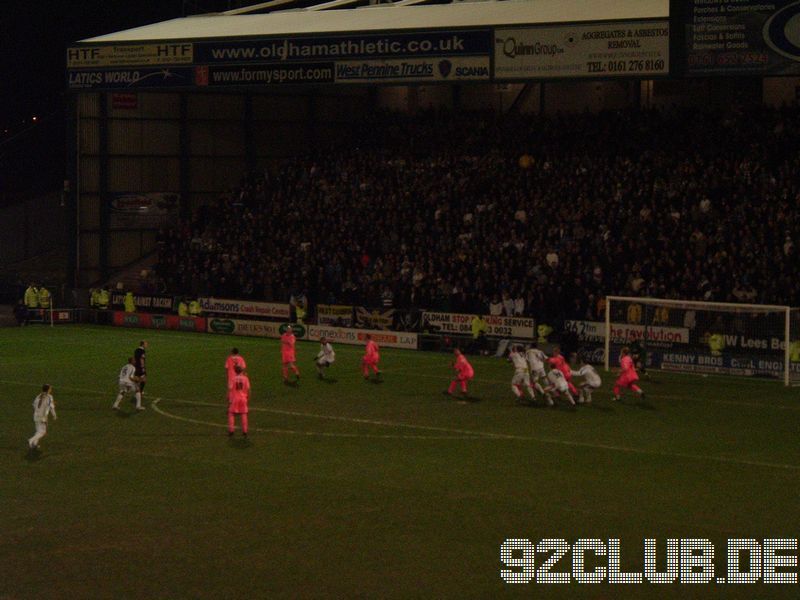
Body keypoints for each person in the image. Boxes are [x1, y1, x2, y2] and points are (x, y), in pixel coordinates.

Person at [28, 384, 56, 450]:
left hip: (36, 415)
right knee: (43, 432)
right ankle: (31, 440)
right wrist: (54, 415)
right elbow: (51, 407)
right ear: (48, 389)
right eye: (50, 388)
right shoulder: (49, 397)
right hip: (42, 417)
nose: (51, 390)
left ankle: (34, 444)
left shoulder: (38, 396)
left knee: (38, 431)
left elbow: (34, 404)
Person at [227, 365, 251, 437]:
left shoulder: (233, 379)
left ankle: (231, 431)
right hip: (243, 398)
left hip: (235, 398)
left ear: (235, 371)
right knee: (244, 413)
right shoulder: (245, 378)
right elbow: (249, 389)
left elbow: (230, 389)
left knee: (231, 413)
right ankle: (245, 431)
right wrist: (248, 398)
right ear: (241, 371)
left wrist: (228, 398)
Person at [133, 340, 148, 408]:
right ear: (142, 345)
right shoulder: (142, 351)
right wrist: (143, 368)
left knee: (137, 379)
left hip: (136, 367)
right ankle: (139, 392)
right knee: (144, 380)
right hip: (140, 368)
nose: (147, 345)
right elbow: (142, 359)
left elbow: (135, 358)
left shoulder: (136, 350)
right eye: (146, 344)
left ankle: (137, 391)